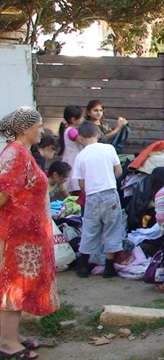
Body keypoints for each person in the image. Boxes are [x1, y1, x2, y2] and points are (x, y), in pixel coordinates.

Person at [0, 106, 60, 360]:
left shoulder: (21, 152)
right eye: (38, 125)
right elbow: (3, 193)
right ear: (25, 129)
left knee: (20, 286)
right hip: (17, 235)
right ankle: (6, 342)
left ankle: (12, 335)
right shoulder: (17, 153)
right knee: (13, 287)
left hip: (27, 234)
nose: (42, 130)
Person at [73, 121, 124, 278]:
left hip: (92, 195)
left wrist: (88, 189)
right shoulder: (109, 148)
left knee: (90, 228)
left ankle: (83, 265)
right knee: (112, 227)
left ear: (80, 137)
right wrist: (109, 180)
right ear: (98, 134)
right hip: (109, 193)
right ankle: (109, 267)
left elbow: (81, 183)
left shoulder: (80, 156)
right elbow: (119, 171)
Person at [58, 105, 84, 195]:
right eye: (81, 117)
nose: (83, 119)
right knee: (77, 189)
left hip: (70, 159)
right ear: (73, 119)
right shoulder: (72, 131)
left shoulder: (67, 130)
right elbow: (84, 142)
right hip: (73, 161)